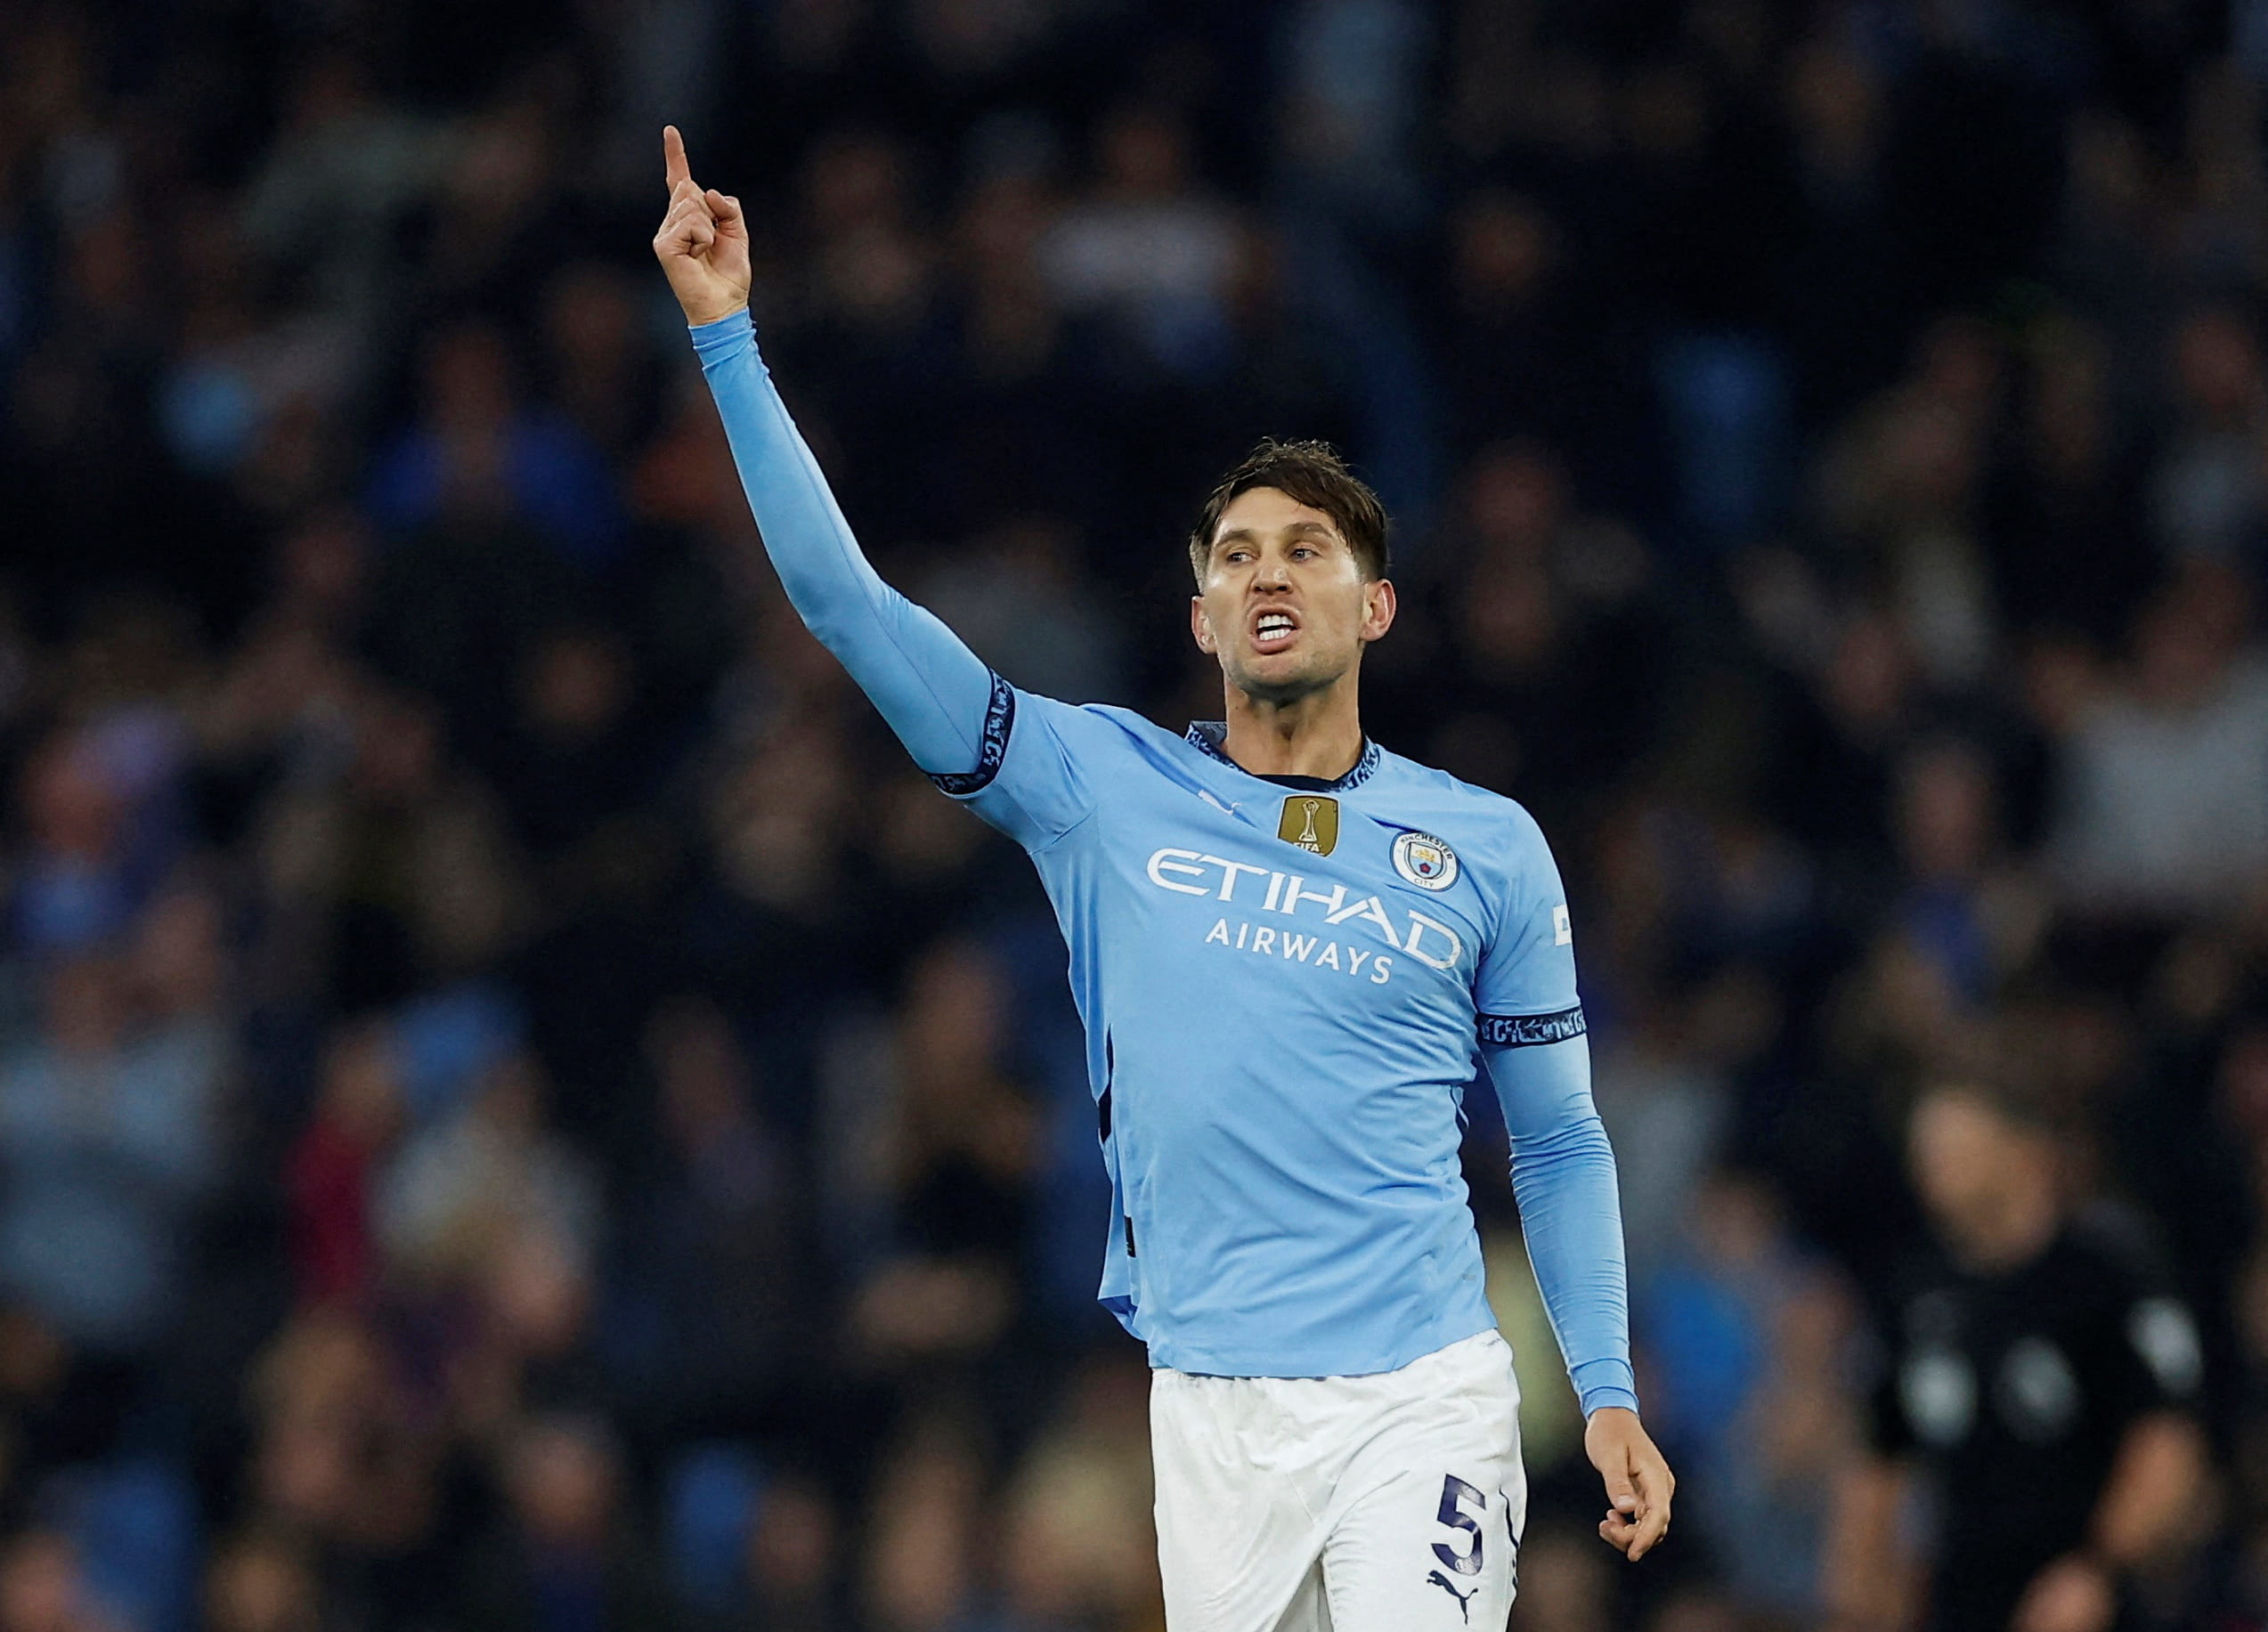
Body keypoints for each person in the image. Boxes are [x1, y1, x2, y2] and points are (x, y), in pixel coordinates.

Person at [651, 126, 1672, 1629]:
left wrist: (1602, 1389)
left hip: (1423, 1391)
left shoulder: (1485, 844)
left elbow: (1562, 1143)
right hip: (1207, 1409)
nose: (1268, 571)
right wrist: (727, 337)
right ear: (1200, 616)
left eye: (1306, 549)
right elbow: (844, 605)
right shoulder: (1098, 789)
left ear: (1373, 605)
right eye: (1237, 554)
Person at [1825, 1084, 2207, 1632]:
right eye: (1926, 1151)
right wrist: (1857, 1593)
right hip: (1961, 1596)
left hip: (2095, 1598)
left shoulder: (2107, 1269)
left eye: (1955, 1148)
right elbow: (1879, 1458)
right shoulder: (1916, 1293)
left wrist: (2097, 1569)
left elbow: (2168, 1439)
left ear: (2025, 1152)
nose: (1930, 1167)